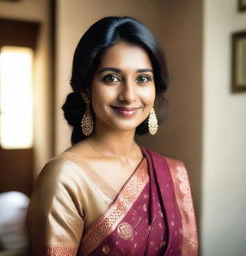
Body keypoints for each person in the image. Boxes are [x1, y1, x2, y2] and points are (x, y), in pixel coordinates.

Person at [27, 16, 198, 256]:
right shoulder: (65, 178)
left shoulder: (172, 172)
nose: (129, 95)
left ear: (155, 88)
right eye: (112, 78)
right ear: (86, 89)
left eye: (143, 78)